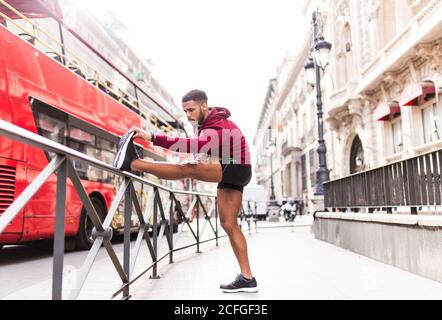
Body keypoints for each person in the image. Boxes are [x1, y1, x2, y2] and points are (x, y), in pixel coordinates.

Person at [112, 89, 258, 293]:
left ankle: (133, 163)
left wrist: (151, 136)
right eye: (185, 111)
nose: (188, 114)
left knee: (187, 169)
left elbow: (191, 145)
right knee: (229, 224)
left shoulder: (215, 125)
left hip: (234, 165)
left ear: (204, 106)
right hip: (238, 170)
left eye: (191, 109)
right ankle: (247, 278)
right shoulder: (207, 126)